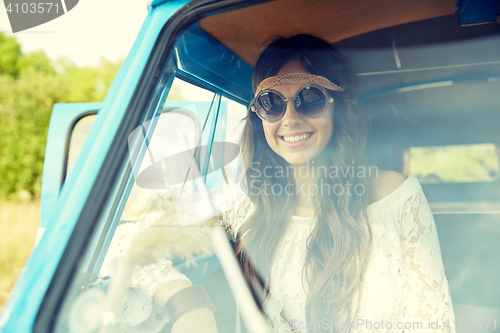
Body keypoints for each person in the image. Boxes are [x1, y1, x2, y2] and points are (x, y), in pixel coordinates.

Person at [102, 34, 456, 333]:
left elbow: (434, 324)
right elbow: (127, 241)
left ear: (338, 108)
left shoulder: (396, 196)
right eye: (271, 103)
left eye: (309, 99)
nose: (290, 118)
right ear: (258, 118)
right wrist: (188, 301)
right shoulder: (246, 200)